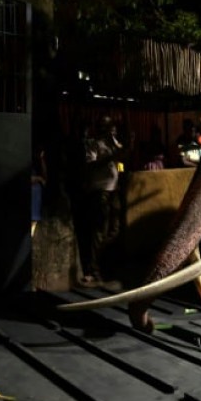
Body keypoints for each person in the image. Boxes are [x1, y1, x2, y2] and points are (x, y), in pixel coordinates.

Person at [82, 115, 123, 284]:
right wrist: (108, 157)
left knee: (115, 229)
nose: (107, 130)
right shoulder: (93, 143)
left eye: (109, 126)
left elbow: (122, 155)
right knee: (100, 231)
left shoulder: (112, 141)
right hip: (100, 191)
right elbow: (90, 165)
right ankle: (93, 270)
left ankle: (103, 264)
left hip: (114, 190)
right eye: (104, 126)